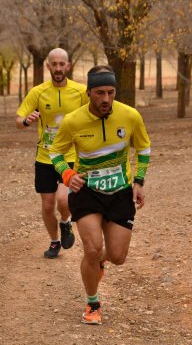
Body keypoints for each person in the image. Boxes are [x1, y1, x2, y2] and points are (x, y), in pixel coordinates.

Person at [49, 65, 151, 325]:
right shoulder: (73, 121)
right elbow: (56, 153)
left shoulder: (130, 116)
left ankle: (98, 263)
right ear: (88, 92)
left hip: (120, 193)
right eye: (99, 93)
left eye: (110, 92)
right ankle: (93, 303)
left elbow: (143, 148)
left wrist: (138, 181)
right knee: (92, 249)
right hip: (87, 193)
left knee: (117, 257)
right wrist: (68, 175)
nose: (105, 99)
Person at [16, 48, 88, 258]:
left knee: (63, 201)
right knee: (47, 206)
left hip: (70, 157)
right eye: (54, 64)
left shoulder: (81, 92)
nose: (58, 68)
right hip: (45, 157)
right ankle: (55, 241)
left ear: (68, 66)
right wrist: (26, 121)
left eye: (61, 64)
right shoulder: (38, 92)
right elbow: (18, 119)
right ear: (48, 66)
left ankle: (66, 222)